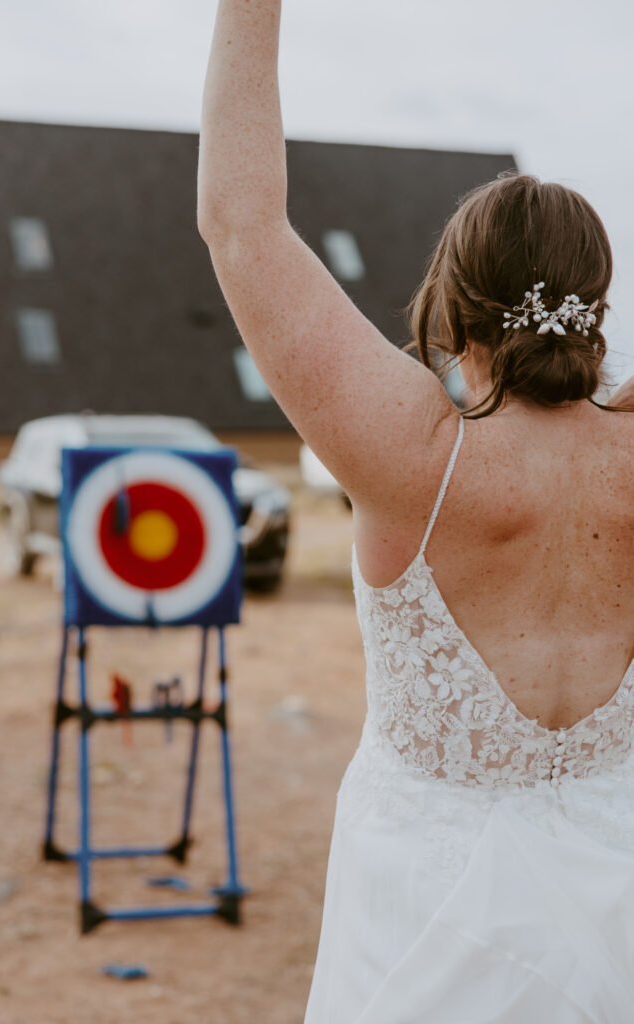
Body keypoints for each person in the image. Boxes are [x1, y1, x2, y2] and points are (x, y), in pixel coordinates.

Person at [198, 3, 634, 1019]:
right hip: (616, 883)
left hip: (421, 900)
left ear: (455, 294)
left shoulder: (413, 453)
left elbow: (241, 225)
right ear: (595, 297)